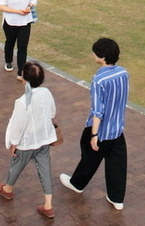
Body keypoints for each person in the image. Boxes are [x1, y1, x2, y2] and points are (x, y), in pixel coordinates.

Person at [59, 37, 129, 211]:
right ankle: (117, 198)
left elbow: (98, 111)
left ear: (102, 56)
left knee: (89, 158)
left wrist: (94, 135)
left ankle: (77, 184)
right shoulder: (123, 73)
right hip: (117, 128)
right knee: (117, 164)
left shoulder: (98, 80)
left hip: (101, 130)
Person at [0, 62, 58, 219]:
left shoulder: (22, 102)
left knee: (17, 165)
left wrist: (13, 143)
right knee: (45, 170)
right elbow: (52, 112)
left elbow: (17, 125)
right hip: (43, 139)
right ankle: (48, 205)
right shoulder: (46, 93)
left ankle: (8, 189)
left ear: (24, 79)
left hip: (27, 143)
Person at [0, 0, 37, 79]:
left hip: (25, 21)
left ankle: (21, 71)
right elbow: (1, 5)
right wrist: (18, 12)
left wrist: (30, 5)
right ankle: (8, 60)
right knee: (10, 42)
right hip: (11, 22)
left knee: (22, 47)